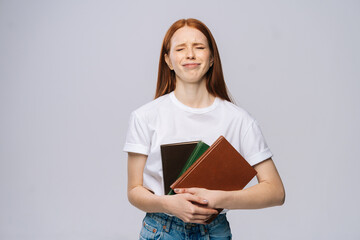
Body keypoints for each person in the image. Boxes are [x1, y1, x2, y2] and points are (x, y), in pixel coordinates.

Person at [124, 18, 285, 239]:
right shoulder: (144, 117)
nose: (190, 54)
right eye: (180, 49)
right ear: (168, 61)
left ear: (211, 59)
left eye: (199, 47)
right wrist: (168, 204)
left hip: (214, 230)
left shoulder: (239, 120)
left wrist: (218, 199)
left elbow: (275, 191)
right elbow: (134, 191)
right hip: (162, 229)